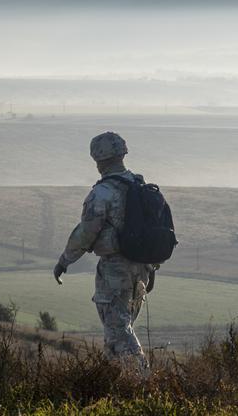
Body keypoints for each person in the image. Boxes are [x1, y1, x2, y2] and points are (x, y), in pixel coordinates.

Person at [53, 131, 154, 372]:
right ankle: (116, 387)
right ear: (122, 154)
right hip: (141, 269)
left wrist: (65, 261)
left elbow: (86, 233)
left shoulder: (102, 193)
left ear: (97, 160)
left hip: (115, 271)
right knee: (120, 330)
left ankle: (145, 382)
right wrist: (150, 266)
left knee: (119, 334)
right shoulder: (139, 186)